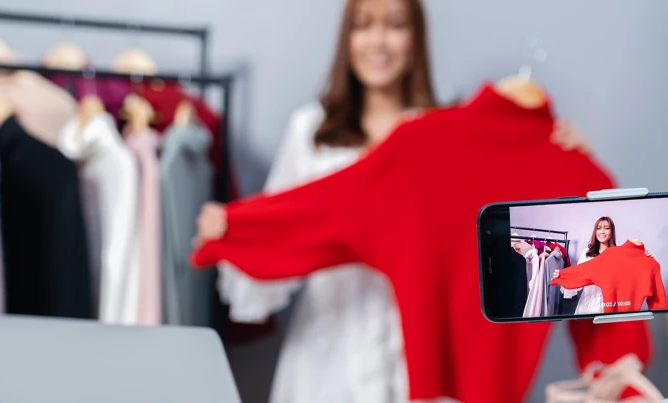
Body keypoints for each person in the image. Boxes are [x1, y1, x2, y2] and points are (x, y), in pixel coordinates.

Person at [214, 1, 598, 402]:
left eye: (395, 26)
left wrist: (566, 160)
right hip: (325, 359)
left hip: (416, 359)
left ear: (416, 39)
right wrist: (235, 226)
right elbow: (285, 222)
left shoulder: (449, 138)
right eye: (363, 27)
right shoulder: (310, 131)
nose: (378, 41)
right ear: (347, 38)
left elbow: (509, 208)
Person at [555, 216, 653, 315]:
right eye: (599, 228)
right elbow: (577, 277)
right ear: (595, 231)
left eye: (606, 228)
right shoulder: (587, 253)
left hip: (612, 305)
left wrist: (645, 258)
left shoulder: (619, 254)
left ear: (611, 232)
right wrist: (563, 276)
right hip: (588, 306)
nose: (602, 231)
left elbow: (632, 276)